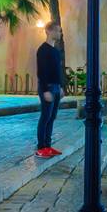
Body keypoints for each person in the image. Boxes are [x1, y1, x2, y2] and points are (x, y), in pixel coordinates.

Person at [36, 23, 64, 157]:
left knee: (52, 117)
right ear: (48, 31)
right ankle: (41, 147)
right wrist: (45, 90)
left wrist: (61, 87)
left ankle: (48, 145)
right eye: (58, 31)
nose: (60, 33)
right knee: (45, 117)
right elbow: (41, 72)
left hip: (56, 88)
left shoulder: (56, 51)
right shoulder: (42, 50)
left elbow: (57, 71)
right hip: (47, 88)